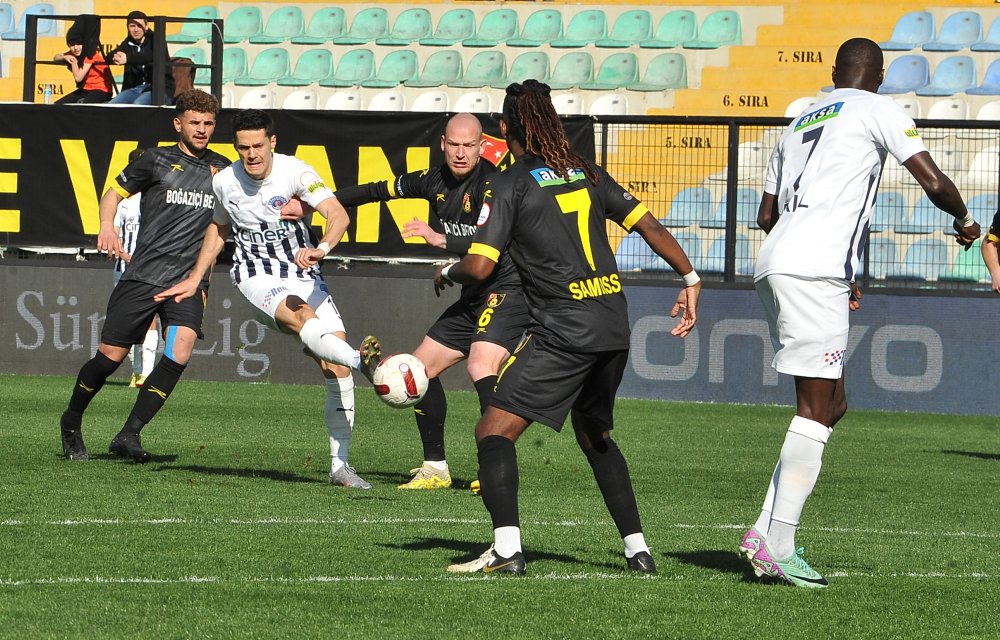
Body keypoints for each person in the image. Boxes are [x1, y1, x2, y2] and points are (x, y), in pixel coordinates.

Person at [739, 37, 980, 589]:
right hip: (813, 268)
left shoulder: (800, 117)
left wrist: (825, 269)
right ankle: (779, 543)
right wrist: (966, 220)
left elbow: (765, 212)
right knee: (814, 409)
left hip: (775, 259)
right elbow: (934, 181)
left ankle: (762, 530)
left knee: (834, 402)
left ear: (834, 71)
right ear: (881, 75)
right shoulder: (879, 108)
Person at [434, 80, 701, 575]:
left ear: (505, 129)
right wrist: (690, 278)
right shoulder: (585, 171)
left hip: (566, 329)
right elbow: (649, 227)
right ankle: (637, 549)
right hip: (614, 325)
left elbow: (480, 265)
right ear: (552, 121)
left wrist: (447, 271)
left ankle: (507, 550)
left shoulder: (509, 183)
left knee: (493, 429)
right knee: (593, 432)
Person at [155, 109, 382, 489]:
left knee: (334, 368)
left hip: (306, 271)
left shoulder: (296, 172)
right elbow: (219, 228)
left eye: (258, 145)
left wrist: (322, 248)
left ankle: (340, 467)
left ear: (272, 142)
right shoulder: (226, 181)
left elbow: (337, 215)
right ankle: (366, 362)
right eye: (243, 147)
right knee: (304, 317)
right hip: (256, 277)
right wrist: (196, 277)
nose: (251, 155)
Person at [332, 113, 531, 490]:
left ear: (480, 147)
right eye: (454, 144)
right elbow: (375, 191)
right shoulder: (431, 180)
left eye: (469, 145)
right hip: (474, 293)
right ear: (442, 143)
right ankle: (435, 468)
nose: (460, 153)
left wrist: (444, 244)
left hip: (508, 290)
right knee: (419, 371)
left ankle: (494, 468)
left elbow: (494, 248)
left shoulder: (494, 185)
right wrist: (319, 204)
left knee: (480, 366)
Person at [59, 89, 231, 463]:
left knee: (179, 351)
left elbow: (230, 221)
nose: (201, 130)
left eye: (208, 123)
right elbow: (111, 194)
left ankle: (129, 433)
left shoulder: (225, 169)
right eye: (194, 122)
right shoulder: (155, 160)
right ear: (178, 123)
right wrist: (107, 225)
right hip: (144, 275)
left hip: (189, 281)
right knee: (109, 359)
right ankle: (71, 420)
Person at [111, 147, 159, 388]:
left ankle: (147, 374)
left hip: (150, 271)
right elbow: (114, 237)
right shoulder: (123, 204)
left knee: (150, 318)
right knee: (128, 321)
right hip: (124, 269)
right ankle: (136, 371)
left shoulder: (158, 200)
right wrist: (126, 255)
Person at [53, 15, 113, 104]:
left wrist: (73, 61)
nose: (75, 48)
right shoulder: (73, 52)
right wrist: (64, 57)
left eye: (79, 44)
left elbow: (78, 78)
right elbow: (55, 58)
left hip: (101, 90)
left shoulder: (90, 54)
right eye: (72, 45)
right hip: (86, 89)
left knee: (85, 106)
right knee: (58, 105)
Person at [108, 11, 160, 105]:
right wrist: (116, 57)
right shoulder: (128, 42)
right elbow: (109, 56)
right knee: (112, 105)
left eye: (139, 25)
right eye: (132, 26)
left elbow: (151, 56)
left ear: (146, 26)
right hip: (134, 88)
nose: (136, 29)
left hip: (157, 88)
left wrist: (128, 58)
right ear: (128, 27)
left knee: (137, 104)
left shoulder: (156, 39)